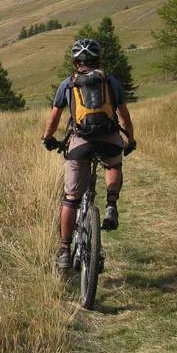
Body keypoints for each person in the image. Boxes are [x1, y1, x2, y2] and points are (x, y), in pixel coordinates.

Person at [41, 39, 136, 270]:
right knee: (113, 166)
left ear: (76, 63)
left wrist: (48, 137)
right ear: (97, 59)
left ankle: (64, 250)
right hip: (109, 140)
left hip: (80, 143)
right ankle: (111, 204)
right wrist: (130, 139)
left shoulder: (68, 84)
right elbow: (123, 116)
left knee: (71, 199)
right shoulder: (110, 81)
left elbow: (54, 117)